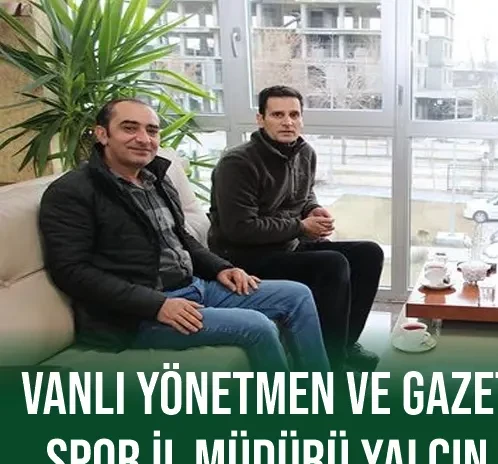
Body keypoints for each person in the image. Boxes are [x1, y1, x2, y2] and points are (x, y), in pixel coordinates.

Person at [38, 99, 330, 373]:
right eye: (129, 128)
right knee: (257, 326)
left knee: (297, 295)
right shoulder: (72, 192)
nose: (143, 138)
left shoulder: (155, 179)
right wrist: (157, 305)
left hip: (193, 287)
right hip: (134, 315)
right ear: (102, 134)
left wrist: (221, 268)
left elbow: (181, 238)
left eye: (152, 131)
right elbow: (71, 271)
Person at [207, 85, 384, 372]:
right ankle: (333, 363)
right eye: (277, 115)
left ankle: (345, 345)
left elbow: (303, 195)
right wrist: (300, 227)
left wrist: (312, 209)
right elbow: (239, 228)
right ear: (260, 119)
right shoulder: (237, 163)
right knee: (332, 264)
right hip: (243, 257)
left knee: (369, 253)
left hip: (286, 245)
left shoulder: (305, 153)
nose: (287, 122)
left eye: (294, 114)